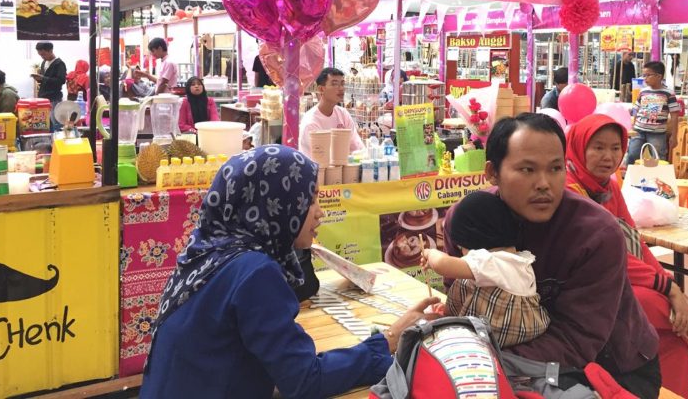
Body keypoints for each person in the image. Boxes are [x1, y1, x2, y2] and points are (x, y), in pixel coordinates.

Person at [141, 145, 440, 399]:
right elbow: (303, 380)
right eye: (309, 200)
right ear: (276, 204)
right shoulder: (254, 273)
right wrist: (388, 339)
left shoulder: (207, 252)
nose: (320, 211)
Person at [443, 113, 662, 398]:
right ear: (492, 172)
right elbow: (461, 297)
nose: (544, 183)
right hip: (509, 364)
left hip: (613, 369)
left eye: (556, 168)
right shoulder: (467, 221)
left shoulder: (594, 233)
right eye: (527, 170)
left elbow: (577, 341)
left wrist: (478, 356)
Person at [565, 114, 688, 397]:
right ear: (579, 146)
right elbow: (606, 255)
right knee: (657, 305)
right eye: (598, 147)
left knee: (672, 339)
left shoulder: (607, 186)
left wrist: (674, 287)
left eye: (616, 148)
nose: (608, 156)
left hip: (617, 279)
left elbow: (634, 243)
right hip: (585, 287)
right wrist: (670, 290)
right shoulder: (570, 190)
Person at [421, 190, 550, 348]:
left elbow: (442, 265)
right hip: (522, 338)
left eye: (460, 246)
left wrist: (429, 252)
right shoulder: (519, 261)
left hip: (492, 341)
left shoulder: (492, 262)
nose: (461, 252)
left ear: (472, 240)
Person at [299, 68, 364, 159]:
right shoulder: (311, 122)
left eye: (342, 84)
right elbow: (322, 159)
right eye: (334, 84)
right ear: (321, 89)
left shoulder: (343, 114)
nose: (341, 88)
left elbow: (357, 148)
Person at [627, 61, 679, 164]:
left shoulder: (668, 93)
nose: (645, 78)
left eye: (648, 75)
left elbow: (674, 115)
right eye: (644, 75)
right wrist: (632, 119)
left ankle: (658, 179)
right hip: (638, 130)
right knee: (633, 155)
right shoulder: (643, 92)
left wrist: (674, 135)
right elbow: (636, 109)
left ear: (659, 76)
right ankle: (630, 178)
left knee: (658, 158)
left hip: (657, 133)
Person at [32, 41, 67, 107]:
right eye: (40, 55)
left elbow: (61, 81)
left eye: (43, 54)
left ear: (51, 51)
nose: (42, 57)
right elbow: (46, 81)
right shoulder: (44, 62)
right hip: (43, 97)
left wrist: (43, 78)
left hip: (54, 98)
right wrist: (39, 79)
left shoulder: (59, 64)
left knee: (53, 117)